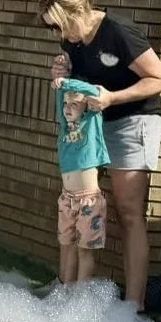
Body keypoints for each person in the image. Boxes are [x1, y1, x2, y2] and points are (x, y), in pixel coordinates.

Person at [41, 0, 161, 311]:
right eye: (53, 29)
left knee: (129, 211)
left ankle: (134, 306)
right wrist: (61, 75)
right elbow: (80, 81)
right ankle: (69, 288)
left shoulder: (118, 32)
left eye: (60, 26)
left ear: (76, 13)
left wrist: (113, 97)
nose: (59, 35)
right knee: (78, 201)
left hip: (133, 120)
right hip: (96, 122)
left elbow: (160, 80)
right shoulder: (73, 42)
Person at [54, 76, 109, 290]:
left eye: (74, 104)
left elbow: (94, 92)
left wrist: (67, 83)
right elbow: (61, 98)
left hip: (88, 201)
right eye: (66, 104)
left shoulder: (91, 124)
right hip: (67, 199)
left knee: (84, 250)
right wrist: (62, 89)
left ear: (86, 107)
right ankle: (64, 292)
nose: (67, 108)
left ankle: (80, 301)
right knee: (66, 245)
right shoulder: (65, 130)